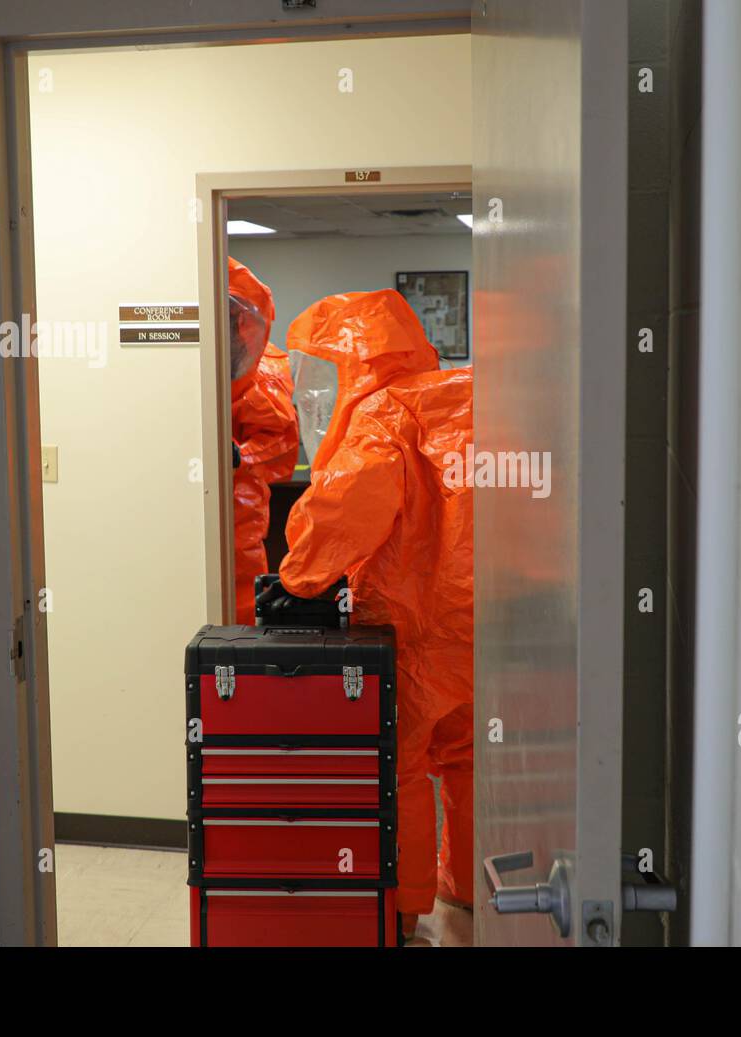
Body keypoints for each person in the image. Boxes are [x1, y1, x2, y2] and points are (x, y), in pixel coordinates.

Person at [272, 290, 474, 938]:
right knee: (469, 758)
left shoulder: (384, 414)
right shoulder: (465, 400)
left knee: (402, 765)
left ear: (358, 362)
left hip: (413, 629)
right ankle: (469, 887)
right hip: (482, 621)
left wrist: (297, 572)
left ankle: (405, 907)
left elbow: (346, 510)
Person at [228, 257, 300, 625]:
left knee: (237, 602)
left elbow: (281, 442)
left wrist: (240, 457)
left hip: (239, 508)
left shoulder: (265, 375)